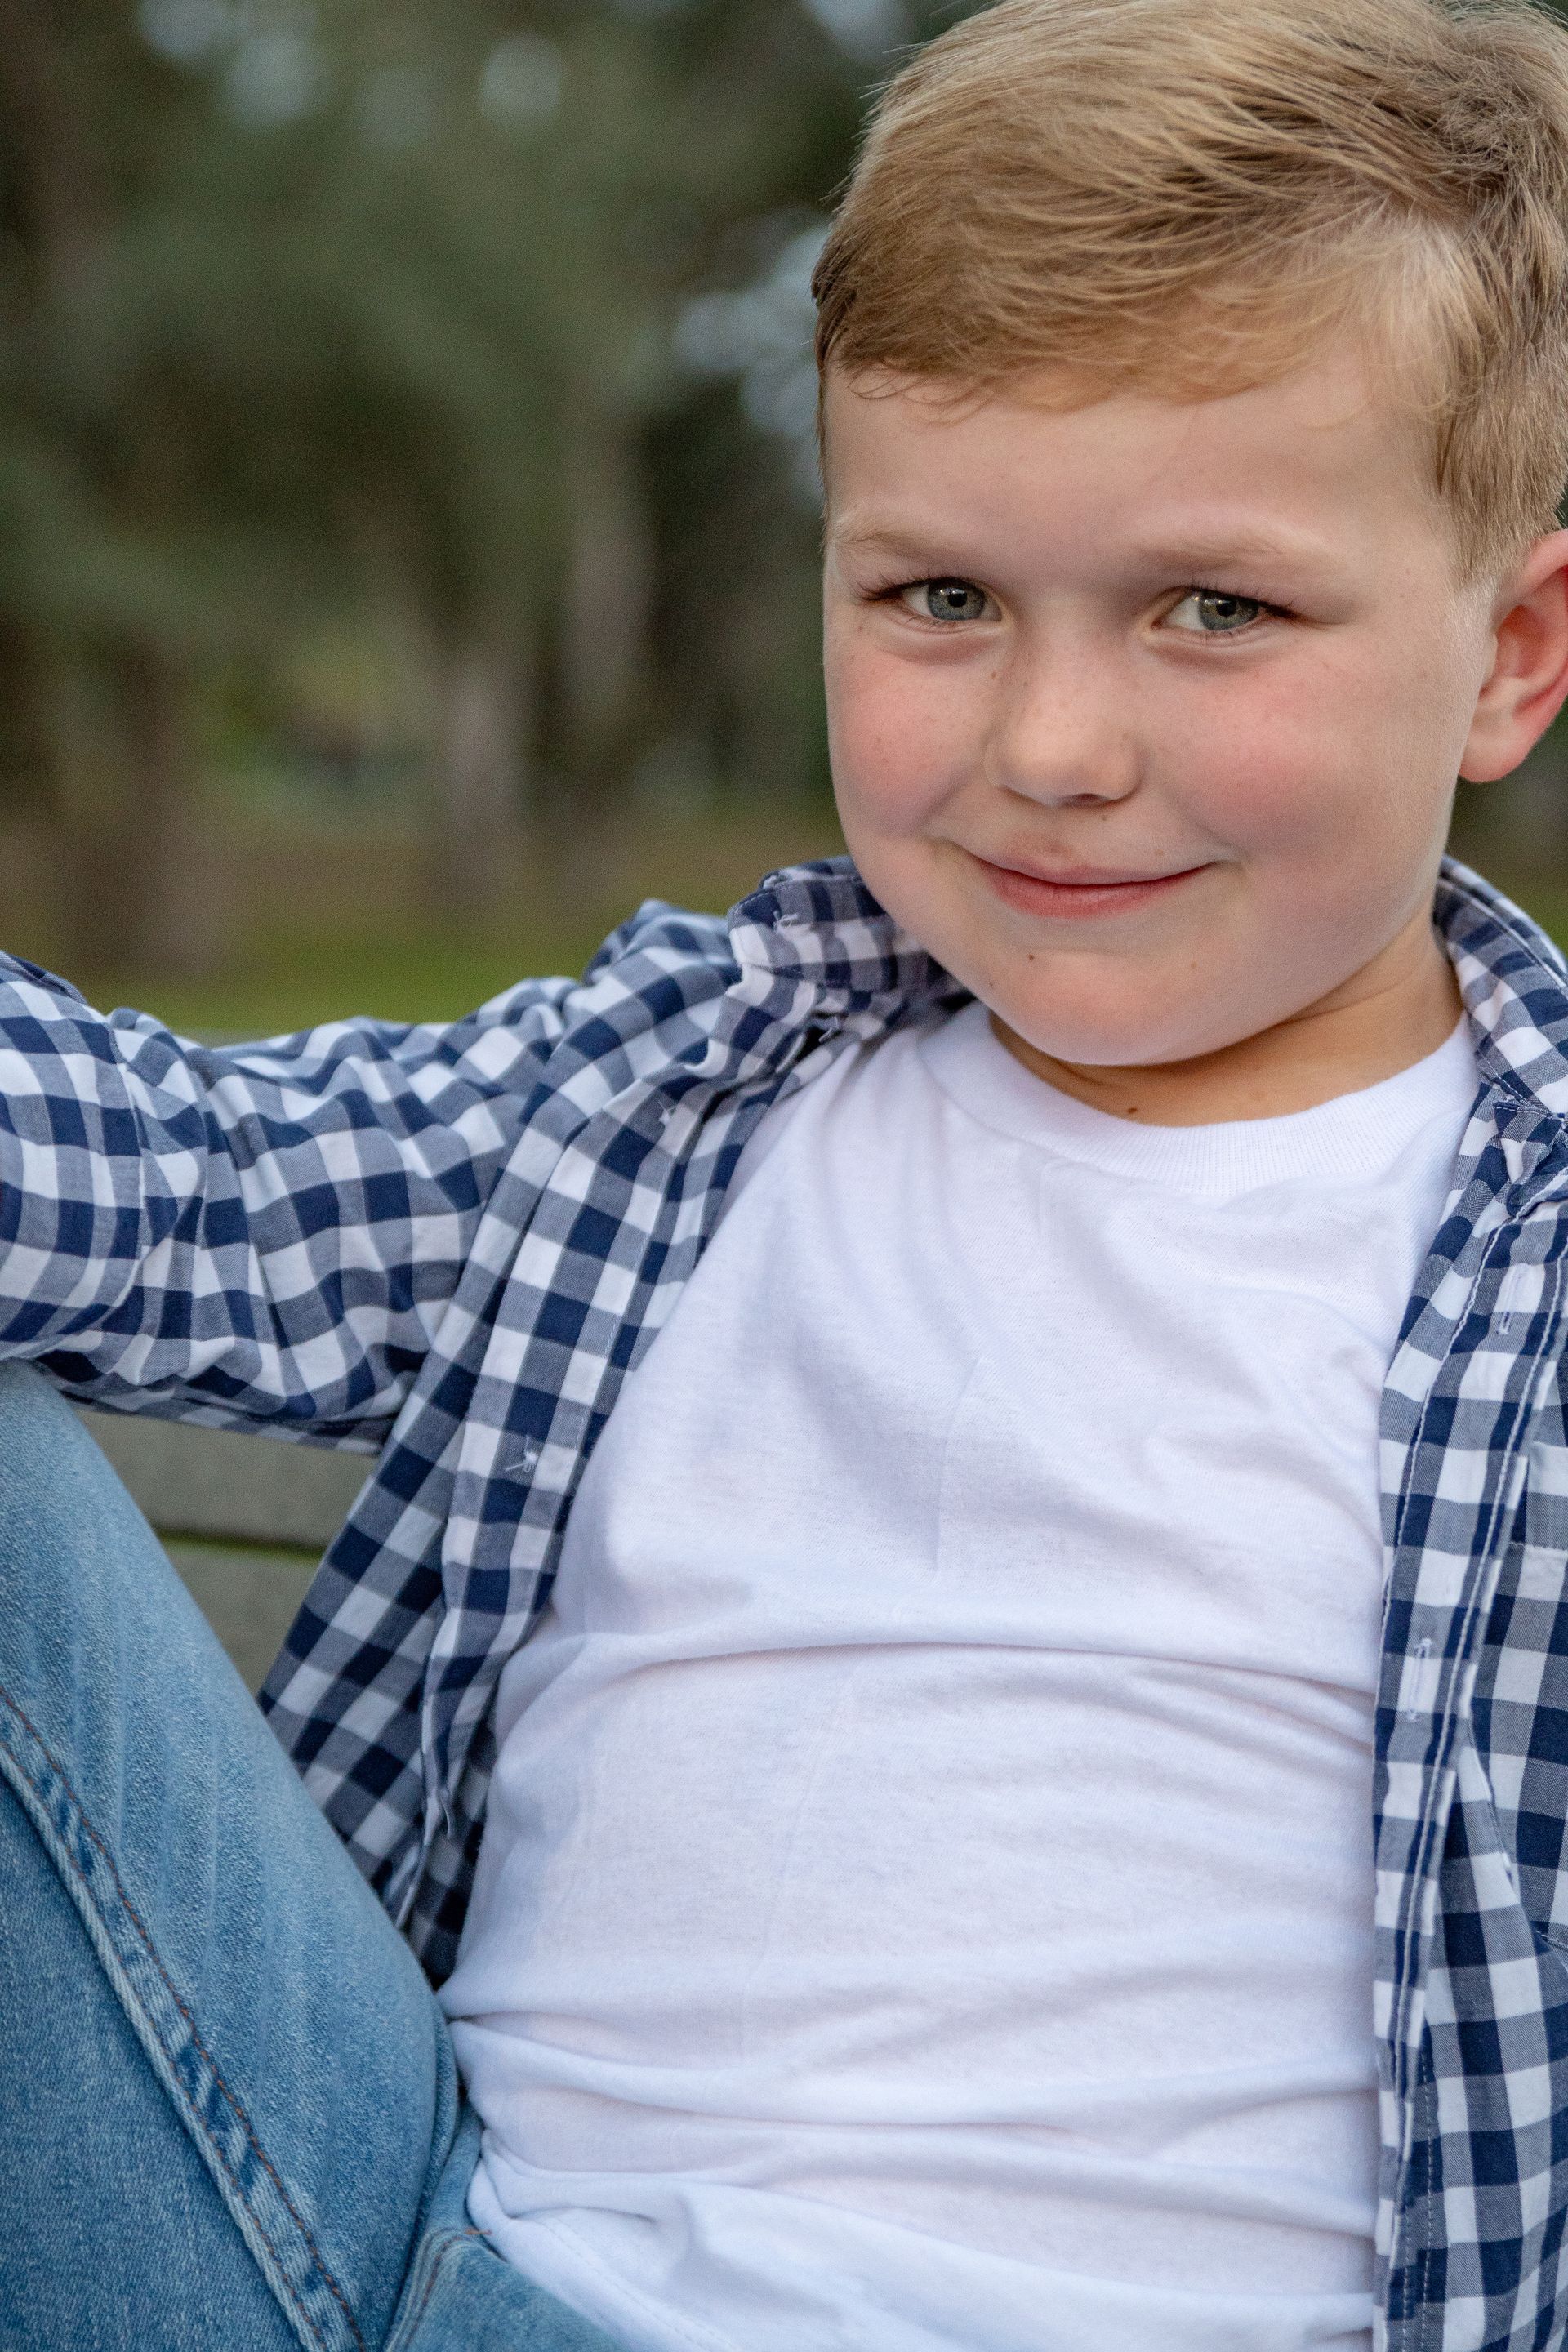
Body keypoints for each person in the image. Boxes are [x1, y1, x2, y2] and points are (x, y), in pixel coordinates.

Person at [5, 0, 1568, 2345]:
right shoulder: (684, 1103)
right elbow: (184, 1182)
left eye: (1212, 609)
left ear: (1510, 654)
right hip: (395, 2272)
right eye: (939, 599)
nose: (1050, 747)